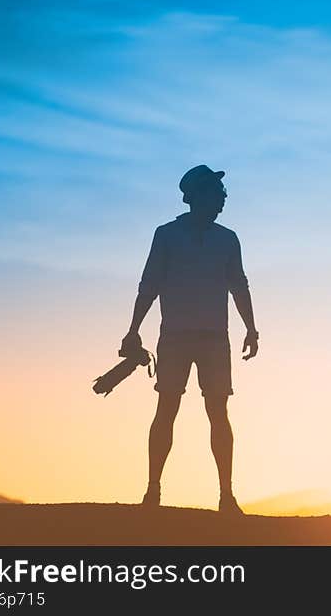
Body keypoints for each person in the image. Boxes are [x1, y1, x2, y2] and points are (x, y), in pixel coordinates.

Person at [122, 164, 258, 516]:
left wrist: (251, 328)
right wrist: (133, 328)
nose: (222, 200)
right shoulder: (166, 235)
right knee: (167, 409)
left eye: (222, 194)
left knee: (217, 412)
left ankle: (226, 495)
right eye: (216, 192)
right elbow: (148, 284)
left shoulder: (228, 239)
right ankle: (153, 490)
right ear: (196, 195)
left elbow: (238, 285)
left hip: (214, 338)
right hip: (176, 336)